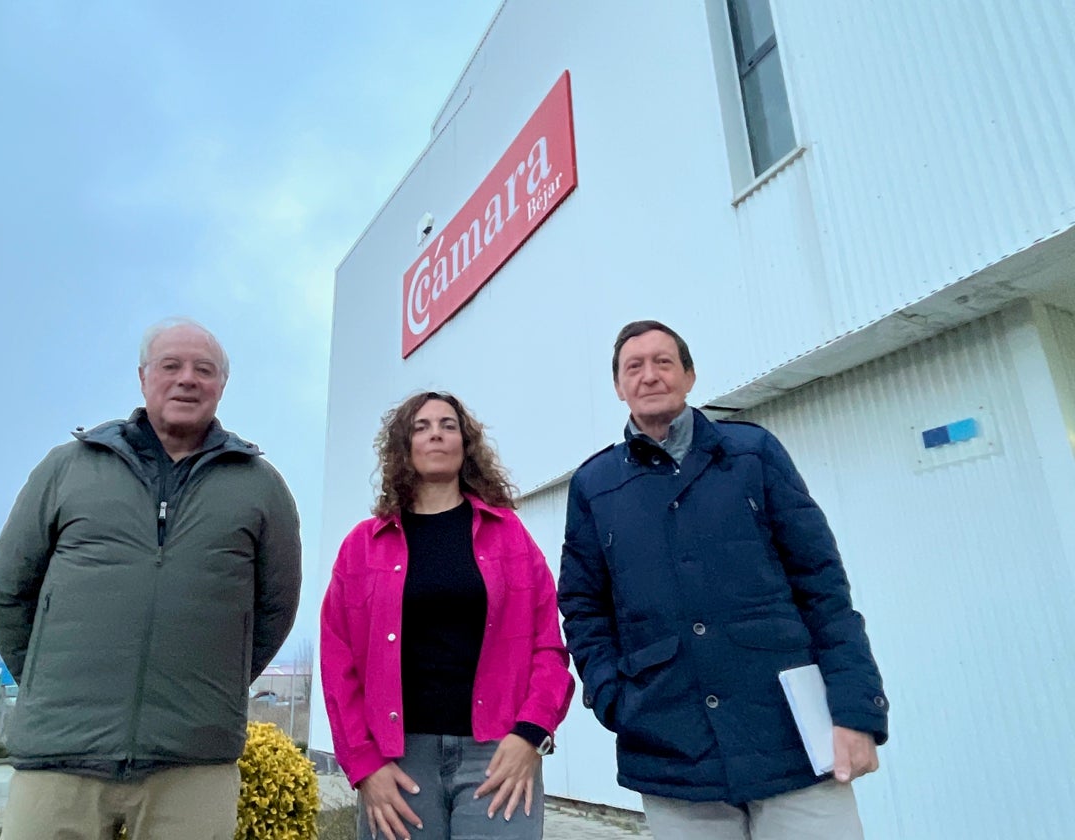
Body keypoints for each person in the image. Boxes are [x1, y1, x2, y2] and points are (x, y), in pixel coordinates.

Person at [558, 320, 888, 840]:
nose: (649, 376)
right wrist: (613, 697)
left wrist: (854, 709)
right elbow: (582, 606)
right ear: (619, 388)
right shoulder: (595, 486)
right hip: (671, 748)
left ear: (689, 375)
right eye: (633, 367)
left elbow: (823, 587)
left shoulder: (752, 454)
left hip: (792, 738)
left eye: (663, 362)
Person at [0, 317, 302, 840]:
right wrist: (50, 685)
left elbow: (274, 609)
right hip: (59, 762)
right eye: (170, 366)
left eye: (204, 370)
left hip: (192, 768)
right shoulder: (68, 468)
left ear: (222, 385)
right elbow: (8, 594)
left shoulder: (260, 486)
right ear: (142, 377)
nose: (187, 379)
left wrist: (207, 689)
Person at [321, 391, 574, 840]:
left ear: (465, 445)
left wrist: (532, 734)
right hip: (397, 763)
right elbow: (337, 661)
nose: (435, 433)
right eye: (421, 426)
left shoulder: (509, 536)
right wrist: (363, 765)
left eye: (447, 424)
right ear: (404, 446)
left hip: (499, 757)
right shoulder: (362, 547)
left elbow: (548, 645)